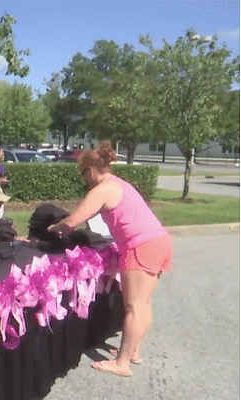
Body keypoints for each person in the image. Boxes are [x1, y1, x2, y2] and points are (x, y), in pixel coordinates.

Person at [47, 141, 172, 378]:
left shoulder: (102, 189)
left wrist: (51, 229)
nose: (85, 179)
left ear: (91, 170)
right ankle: (133, 352)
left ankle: (121, 363)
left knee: (133, 307)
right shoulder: (119, 184)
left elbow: (72, 222)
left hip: (140, 246)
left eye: (84, 173)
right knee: (143, 304)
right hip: (159, 241)